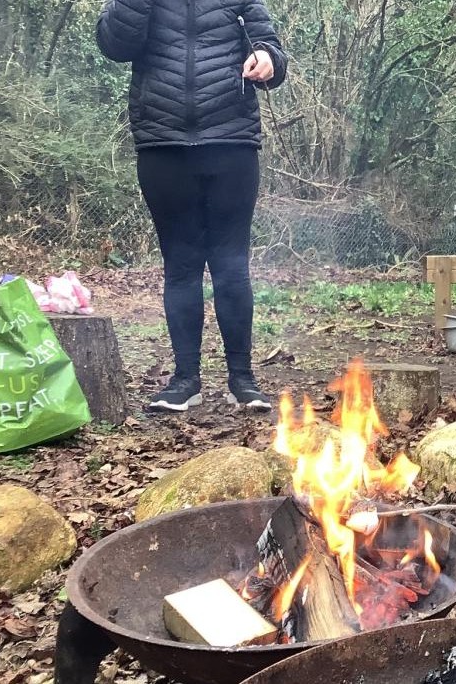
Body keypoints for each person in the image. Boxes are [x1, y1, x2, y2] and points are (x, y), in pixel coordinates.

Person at [97, 0, 288, 412]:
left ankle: (243, 380)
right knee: (181, 265)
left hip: (232, 144)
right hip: (162, 146)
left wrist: (267, 59)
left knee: (231, 265)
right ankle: (185, 380)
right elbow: (115, 45)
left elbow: (274, 54)